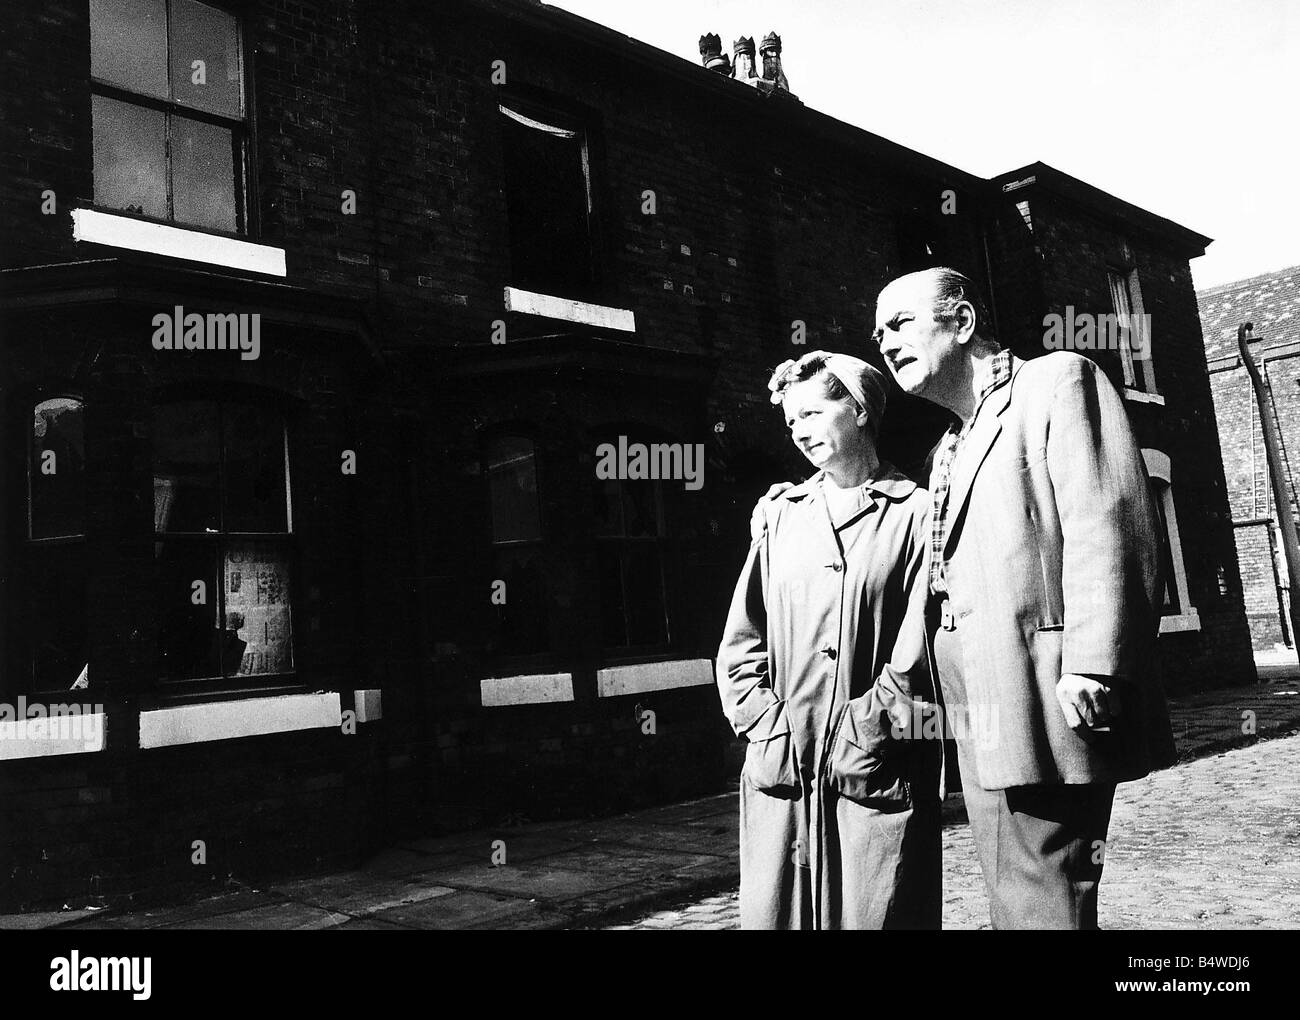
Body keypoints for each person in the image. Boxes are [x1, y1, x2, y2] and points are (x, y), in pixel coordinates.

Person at [870, 266, 1176, 929]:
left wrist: (1095, 660)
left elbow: (1108, 519)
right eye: (877, 334)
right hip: (974, 695)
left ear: (963, 321)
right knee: (1016, 884)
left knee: (1047, 886)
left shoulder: (1056, 382)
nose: (886, 342)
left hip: (1044, 687)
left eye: (899, 323)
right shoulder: (950, 442)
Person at [717, 350, 943, 930]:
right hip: (784, 767)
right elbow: (742, 642)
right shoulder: (781, 516)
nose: (800, 431)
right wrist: (768, 727)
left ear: (861, 410)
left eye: (814, 413)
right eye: (792, 421)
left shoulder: (919, 514)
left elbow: (925, 643)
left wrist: (872, 727)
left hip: (875, 762)